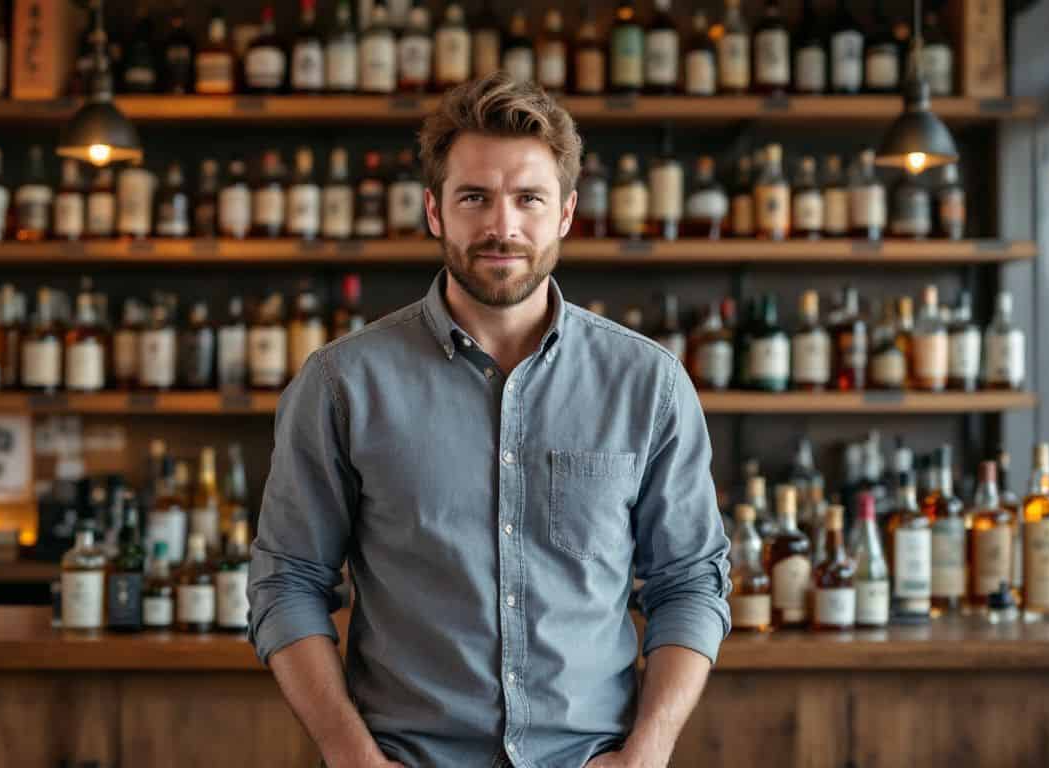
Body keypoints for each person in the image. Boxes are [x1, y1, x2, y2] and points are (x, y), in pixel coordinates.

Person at [247, 71, 731, 768]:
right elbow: (286, 581)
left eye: (528, 199)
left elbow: (690, 581)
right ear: (435, 211)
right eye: (474, 197)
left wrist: (647, 753)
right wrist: (349, 754)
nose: (502, 226)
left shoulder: (647, 384)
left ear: (565, 213)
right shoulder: (341, 384)